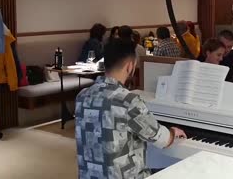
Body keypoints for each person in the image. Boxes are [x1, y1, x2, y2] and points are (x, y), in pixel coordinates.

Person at [75, 39, 186, 179]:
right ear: (130, 66)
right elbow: (162, 139)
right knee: (179, 170)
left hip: (89, 176)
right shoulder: (128, 101)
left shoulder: (82, 95)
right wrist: (173, 132)